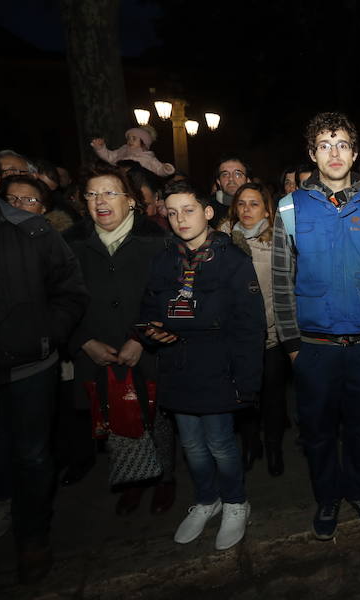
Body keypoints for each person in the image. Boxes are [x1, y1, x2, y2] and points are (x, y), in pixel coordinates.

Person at [272, 112, 360, 540]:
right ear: (312, 154)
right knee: (319, 432)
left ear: (355, 153)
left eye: (342, 144)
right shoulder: (289, 207)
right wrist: (292, 345)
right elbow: (280, 281)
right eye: (325, 145)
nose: (334, 153)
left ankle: (359, 492)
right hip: (314, 348)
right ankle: (327, 498)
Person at [139, 179, 265, 551]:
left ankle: (235, 502)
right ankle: (207, 500)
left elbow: (250, 326)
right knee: (191, 446)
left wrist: (248, 382)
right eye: (172, 212)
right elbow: (147, 309)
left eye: (189, 210)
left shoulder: (233, 261)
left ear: (208, 213)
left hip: (219, 368)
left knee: (221, 444)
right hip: (177, 367)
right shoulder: (163, 259)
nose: (180, 219)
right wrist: (151, 332)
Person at [0, 153, 88, 583]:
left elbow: (70, 291)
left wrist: (46, 335)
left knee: (32, 457)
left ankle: (32, 540)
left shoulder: (32, 231)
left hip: (29, 369)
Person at [63, 165, 176, 515]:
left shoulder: (158, 239)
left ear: (130, 201)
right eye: (92, 194)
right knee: (115, 419)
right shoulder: (70, 242)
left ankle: (165, 479)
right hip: (97, 351)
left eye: (110, 193)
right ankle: (133, 480)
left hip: (147, 347)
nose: (100, 201)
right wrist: (85, 342)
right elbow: (58, 300)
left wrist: (142, 339)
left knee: (157, 418)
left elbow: (171, 295)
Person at [219, 183, 288, 476]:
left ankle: (273, 447)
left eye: (254, 204)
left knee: (273, 398)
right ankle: (250, 445)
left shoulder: (278, 243)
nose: (247, 210)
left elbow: (285, 291)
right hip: (235, 339)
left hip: (271, 337)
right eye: (242, 204)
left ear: (267, 210)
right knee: (244, 398)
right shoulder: (221, 242)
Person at [90, 126, 176, 178]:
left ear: (144, 143)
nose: (130, 141)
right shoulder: (123, 150)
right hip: (120, 181)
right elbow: (110, 156)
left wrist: (166, 169)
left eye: (134, 139)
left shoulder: (148, 157)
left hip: (138, 185)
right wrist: (100, 148)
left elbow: (158, 169)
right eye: (128, 139)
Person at [208, 156, 252, 227]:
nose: (231, 178)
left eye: (237, 174)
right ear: (219, 182)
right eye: (225, 175)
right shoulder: (207, 208)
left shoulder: (259, 207)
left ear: (248, 181)